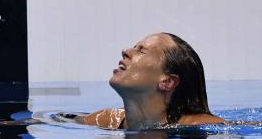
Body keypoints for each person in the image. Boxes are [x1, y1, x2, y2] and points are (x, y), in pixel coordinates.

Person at [75, 32, 225, 130]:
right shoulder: (108, 119)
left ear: (168, 82)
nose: (126, 51)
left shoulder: (202, 126)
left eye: (141, 51)